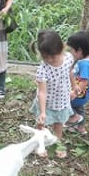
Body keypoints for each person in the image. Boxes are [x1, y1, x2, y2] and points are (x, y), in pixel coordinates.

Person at [30, 30, 75, 158]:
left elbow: (70, 73)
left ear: (62, 48)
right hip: (47, 102)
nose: (49, 59)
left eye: (52, 56)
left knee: (59, 125)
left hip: (62, 100)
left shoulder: (68, 58)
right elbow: (42, 92)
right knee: (41, 123)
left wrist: (74, 85)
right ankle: (38, 143)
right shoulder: (43, 69)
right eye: (45, 57)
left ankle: (57, 144)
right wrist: (43, 111)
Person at [65, 31, 89, 135]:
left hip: (79, 93)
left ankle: (73, 119)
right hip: (83, 93)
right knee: (79, 109)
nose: (71, 53)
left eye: (71, 50)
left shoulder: (85, 64)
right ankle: (81, 128)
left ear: (79, 50)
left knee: (66, 104)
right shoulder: (88, 60)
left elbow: (85, 80)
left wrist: (75, 92)